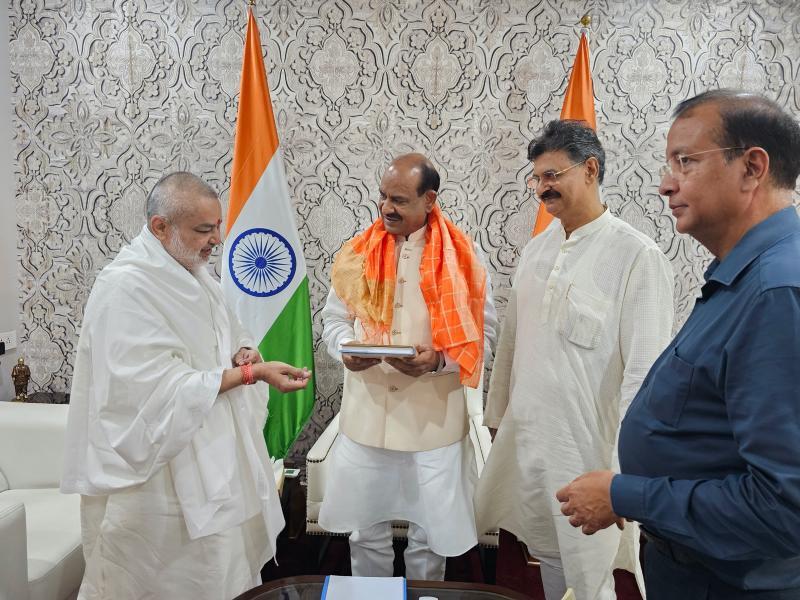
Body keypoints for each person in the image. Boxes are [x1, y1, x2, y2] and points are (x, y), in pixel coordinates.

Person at [556, 90, 800, 599]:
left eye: (685, 162)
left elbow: (786, 506)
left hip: (728, 582)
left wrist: (626, 494)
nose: (666, 184)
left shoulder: (777, 292)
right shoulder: (746, 274)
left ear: (753, 167)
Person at [61, 172, 311, 600]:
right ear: (161, 227)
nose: (216, 240)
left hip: (215, 455)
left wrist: (244, 353)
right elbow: (149, 390)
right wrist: (252, 375)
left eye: (217, 226)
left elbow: (228, 335)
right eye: (203, 229)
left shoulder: (196, 274)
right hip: (157, 480)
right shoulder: (125, 286)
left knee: (223, 574)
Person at [474, 120, 674, 600]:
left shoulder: (636, 255)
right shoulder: (538, 250)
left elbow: (645, 376)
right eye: (537, 178)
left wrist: (625, 472)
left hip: (590, 451)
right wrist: (498, 419)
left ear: (590, 170)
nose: (542, 187)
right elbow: (514, 346)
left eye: (552, 175)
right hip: (532, 442)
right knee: (546, 557)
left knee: (590, 576)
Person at [317, 153, 498, 580]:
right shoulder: (357, 253)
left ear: (429, 199)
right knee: (365, 534)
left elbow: (483, 339)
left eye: (398, 199)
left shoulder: (465, 258)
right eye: (382, 197)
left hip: (433, 425)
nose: (386, 208)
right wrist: (347, 348)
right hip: (367, 419)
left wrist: (439, 360)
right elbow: (333, 321)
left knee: (429, 537)